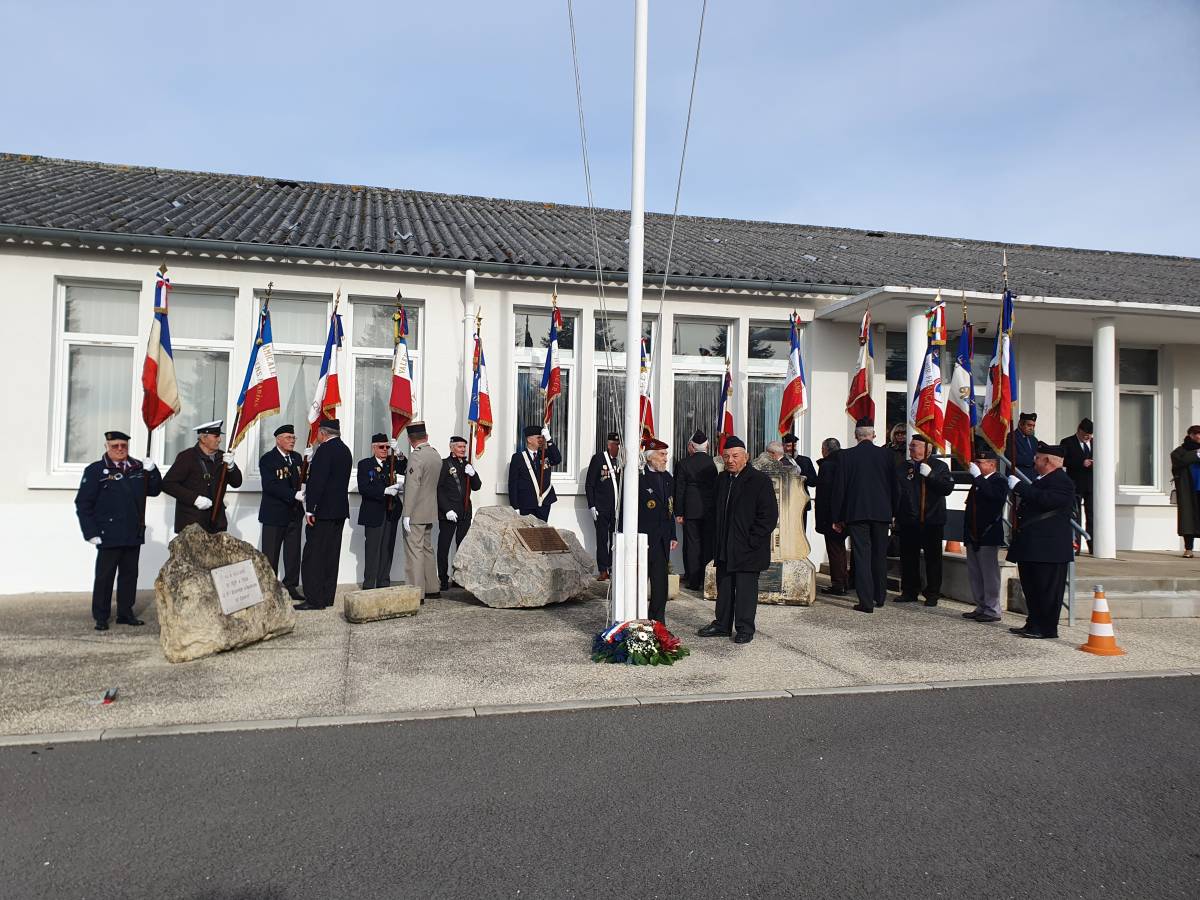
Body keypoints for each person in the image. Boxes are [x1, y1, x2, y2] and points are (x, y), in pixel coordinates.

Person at [74, 430, 162, 631]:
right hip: (108, 533)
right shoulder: (96, 470)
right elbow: (83, 503)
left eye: (124, 446)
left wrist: (152, 471)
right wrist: (90, 532)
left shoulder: (137, 467)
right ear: (107, 447)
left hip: (132, 530)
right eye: (115, 446)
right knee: (105, 577)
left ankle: (125, 613)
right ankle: (101, 616)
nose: (120, 449)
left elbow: (154, 490)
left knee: (129, 575)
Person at [696, 436, 779, 644]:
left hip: (748, 549)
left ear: (746, 457)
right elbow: (714, 510)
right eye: (726, 456)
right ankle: (722, 625)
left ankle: (744, 628)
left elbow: (768, 517)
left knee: (745, 591)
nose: (730, 460)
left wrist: (752, 540)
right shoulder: (722, 479)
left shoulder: (759, 481)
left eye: (735, 456)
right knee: (724, 588)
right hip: (725, 546)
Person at [1006, 442, 1076, 639]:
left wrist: (1020, 487)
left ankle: (1046, 628)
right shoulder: (1041, 479)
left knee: (1047, 591)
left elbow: (1048, 501)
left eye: (1037, 458)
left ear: (1047, 461)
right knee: (1032, 588)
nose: (1034, 461)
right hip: (1034, 545)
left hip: (1049, 548)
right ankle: (1033, 623)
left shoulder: (1062, 481)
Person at [830, 418, 899, 614]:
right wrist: (894, 512)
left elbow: (840, 488)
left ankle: (866, 601)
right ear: (873, 435)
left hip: (857, 512)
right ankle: (880, 596)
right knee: (879, 555)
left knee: (861, 556)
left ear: (856, 436)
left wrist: (837, 517)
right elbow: (895, 486)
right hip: (882, 513)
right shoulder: (887, 455)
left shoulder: (846, 456)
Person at [296, 418, 352, 610]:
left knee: (314, 555)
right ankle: (327, 596)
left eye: (318, 433)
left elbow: (318, 482)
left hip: (323, 511)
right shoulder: (345, 450)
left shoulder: (324, 450)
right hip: (339, 510)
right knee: (331, 555)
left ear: (323, 433)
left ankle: (314, 599)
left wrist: (310, 508)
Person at [894, 434, 955, 607]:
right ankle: (909, 591)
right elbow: (897, 492)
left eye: (915, 445)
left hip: (932, 520)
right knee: (908, 558)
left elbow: (947, 488)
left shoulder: (939, 466)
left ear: (927, 448)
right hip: (909, 520)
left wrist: (931, 475)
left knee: (933, 559)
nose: (910, 448)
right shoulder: (903, 467)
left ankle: (932, 593)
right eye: (911, 445)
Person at [162, 420, 243, 534]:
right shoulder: (187, 457)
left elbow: (237, 483)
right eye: (216, 436)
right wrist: (195, 499)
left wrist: (231, 466)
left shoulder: (223, 457)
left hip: (216, 523)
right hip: (192, 523)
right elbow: (167, 484)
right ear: (204, 439)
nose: (219, 440)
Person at [961, 443, 1009, 623]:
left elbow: (994, 498)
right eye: (976, 462)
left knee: (989, 574)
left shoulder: (998, 480)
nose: (976, 465)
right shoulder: (977, 481)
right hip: (973, 534)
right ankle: (981, 606)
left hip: (988, 534)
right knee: (975, 573)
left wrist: (979, 478)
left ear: (992, 464)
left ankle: (992, 609)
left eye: (980, 463)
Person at [258, 424, 305, 602]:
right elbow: (270, 486)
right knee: (271, 554)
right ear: (278, 440)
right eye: (288, 438)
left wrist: (311, 462)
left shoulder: (297, 458)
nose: (292, 441)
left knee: (293, 554)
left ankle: (291, 586)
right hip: (274, 514)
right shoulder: (268, 459)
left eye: (293, 438)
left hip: (294, 514)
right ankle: (269, 589)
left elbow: (302, 479)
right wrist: (293, 494)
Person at [356, 432, 406, 591]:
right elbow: (364, 488)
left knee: (387, 548)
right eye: (381, 447)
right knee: (373, 549)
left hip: (391, 512)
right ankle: (369, 584)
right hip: (374, 512)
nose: (385, 450)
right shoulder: (365, 464)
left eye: (387, 447)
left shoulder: (392, 462)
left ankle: (384, 582)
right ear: (373, 448)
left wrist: (399, 453)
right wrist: (384, 491)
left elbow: (405, 467)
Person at [637, 439, 677, 624]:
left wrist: (673, 534)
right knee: (639, 582)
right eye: (662, 454)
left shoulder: (667, 478)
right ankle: (637, 620)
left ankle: (658, 621)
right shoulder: (638, 477)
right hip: (643, 538)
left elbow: (670, 508)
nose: (665, 459)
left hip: (662, 539)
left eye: (666, 454)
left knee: (660, 584)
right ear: (649, 457)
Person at [673, 429, 717, 590]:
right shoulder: (714, 463)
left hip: (690, 509)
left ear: (691, 446)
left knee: (692, 545)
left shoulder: (683, 463)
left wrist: (679, 512)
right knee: (708, 544)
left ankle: (693, 580)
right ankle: (706, 580)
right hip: (710, 509)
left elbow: (679, 489)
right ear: (707, 446)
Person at [436, 435, 482, 591]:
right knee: (444, 547)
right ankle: (443, 578)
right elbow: (439, 489)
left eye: (464, 447)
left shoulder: (467, 465)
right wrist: (447, 509)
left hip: (464, 512)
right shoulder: (444, 464)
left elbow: (477, 486)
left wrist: (473, 474)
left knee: (462, 547)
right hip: (449, 513)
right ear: (452, 447)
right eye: (459, 447)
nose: (463, 450)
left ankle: (459, 578)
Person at [402, 420, 442, 598]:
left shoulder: (416, 456)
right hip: (430, 509)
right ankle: (432, 587)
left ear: (410, 440)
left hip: (416, 511)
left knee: (414, 551)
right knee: (427, 549)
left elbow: (413, 486)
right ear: (426, 436)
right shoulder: (435, 454)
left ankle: (416, 593)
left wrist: (407, 513)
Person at [584, 432, 623, 580]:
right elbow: (590, 484)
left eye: (619, 445)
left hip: (617, 508)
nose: (618, 447)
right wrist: (592, 505)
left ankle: (614, 567)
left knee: (616, 539)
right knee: (602, 539)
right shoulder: (599, 459)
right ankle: (603, 569)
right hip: (601, 507)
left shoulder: (622, 460)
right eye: (616, 445)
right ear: (609, 445)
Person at [813, 437, 847, 595]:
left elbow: (827, 494)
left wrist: (834, 518)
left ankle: (838, 583)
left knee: (834, 549)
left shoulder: (828, 465)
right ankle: (843, 581)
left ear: (825, 450)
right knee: (840, 549)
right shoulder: (846, 461)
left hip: (832, 516)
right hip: (846, 513)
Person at [507, 424, 562, 521]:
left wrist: (549, 440)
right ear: (529, 440)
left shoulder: (545, 454)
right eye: (538, 437)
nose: (541, 440)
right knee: (527, 530)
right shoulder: (518, 458)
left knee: (542, 530)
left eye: (542, 438)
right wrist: (514, 506)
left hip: (544, 502)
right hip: (526, 503)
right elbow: (513, 484)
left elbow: (557, 459)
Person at [1060, 417, 1094, 554]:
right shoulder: (1067, 442)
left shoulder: (1095, 443)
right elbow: (1063, 461)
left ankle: (1093, 545)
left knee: (1092, 516)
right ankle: (1076, 546)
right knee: (1075, 515)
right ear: (1079, 431)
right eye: (1085, 435)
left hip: (1091, 486)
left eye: (1089, 435)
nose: (1087, 438)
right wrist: (1081, 463)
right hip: (1075, 484)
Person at [1170, 424, 1200, 558]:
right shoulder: (1181, 451)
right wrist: (1196, 454)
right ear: (1190, 435)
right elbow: (1178, 461)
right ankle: (1188, 549)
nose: (1199, 436)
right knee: (1188, 520)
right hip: (1188, 490)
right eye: (1197, 434)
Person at [1008, 412, 1038, 482]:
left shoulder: (1034, 439)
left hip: (1033, 477)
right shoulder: (1012, 436)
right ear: (1020, 424)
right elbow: (1011, 456)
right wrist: (1032, 459)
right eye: (1029, 425)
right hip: (1018, 476)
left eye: (1033, 426)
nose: (1032, 428)